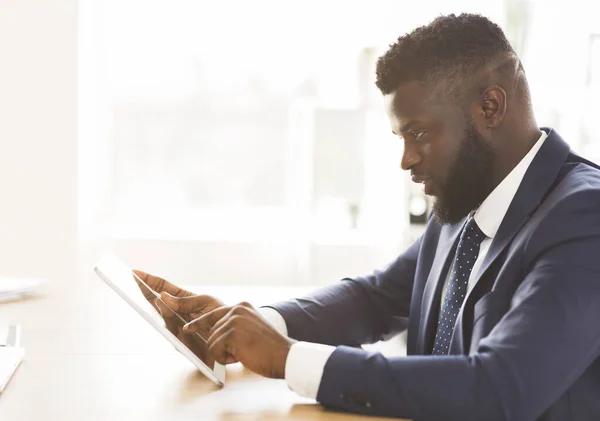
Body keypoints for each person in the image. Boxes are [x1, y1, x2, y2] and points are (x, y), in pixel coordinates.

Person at [135, 13, 600, 421]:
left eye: (418, 133)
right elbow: (375, 299)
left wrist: (290, 359)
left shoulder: (583, 217)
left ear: (489, 108)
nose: (406, 159)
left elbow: (500, 387)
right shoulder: (469, 197)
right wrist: (253, 325)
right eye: (401, 136)